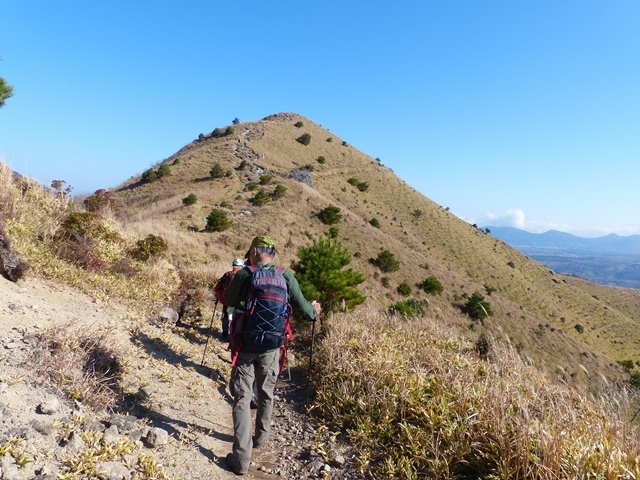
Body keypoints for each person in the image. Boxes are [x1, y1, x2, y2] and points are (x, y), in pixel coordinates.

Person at [224, 235, 321, 475]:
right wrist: (315, 311)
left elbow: (228, 300)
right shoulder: (285, 275)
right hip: (272, 348)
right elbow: (307, 312)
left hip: (246, 345)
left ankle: (241, 459)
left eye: (250, 253)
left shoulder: (246, 274)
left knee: (243, 398)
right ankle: (261, 437)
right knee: (267, 391)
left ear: (255, 251)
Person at [214, 258, 244, 338]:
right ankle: (233, 336)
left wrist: (221, 297)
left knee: (226, 317)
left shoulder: (227, 274)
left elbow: (218, 287)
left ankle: (225, 333)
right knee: (237, 319)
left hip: (227, 300)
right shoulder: (244, 276)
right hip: (239, 302)